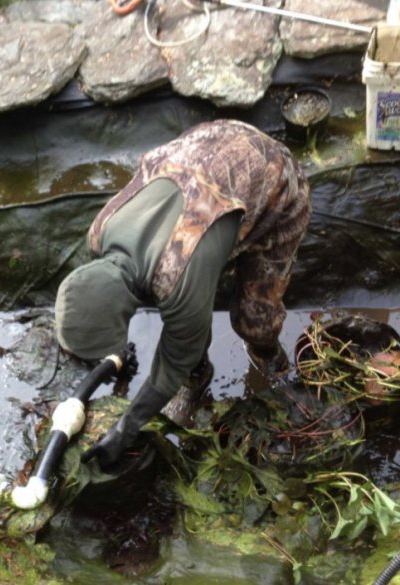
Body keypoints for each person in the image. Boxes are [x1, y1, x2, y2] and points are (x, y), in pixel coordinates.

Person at [54, 119, 311, 471]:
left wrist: (126, 426)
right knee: (189, 309)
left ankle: (273, 361)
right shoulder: (100, 233)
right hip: (210, 149)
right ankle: (198, 375)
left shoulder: (177, 274)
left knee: (253, 321)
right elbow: (180, 316)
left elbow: (175, 352)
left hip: (273, 181)